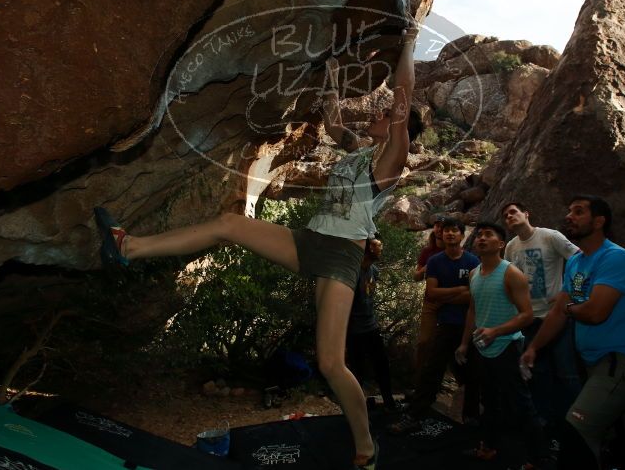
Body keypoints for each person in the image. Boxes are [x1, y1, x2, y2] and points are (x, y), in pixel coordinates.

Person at [93, 25, 419, 470]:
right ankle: (128, 247)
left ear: (402, 127)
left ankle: (365, 446)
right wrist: (334, 75)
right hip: (311, 240)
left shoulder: (392, 158)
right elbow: (333, 120)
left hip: (342, 256)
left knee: (329, 362)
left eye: (387, 116)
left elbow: (402, 95)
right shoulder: (359, 150)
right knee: (230, 224)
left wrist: (409, 42)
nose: (380, 115)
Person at [520, 196, 625, 470]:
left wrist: (569, 306)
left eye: (579, 212)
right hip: (596, 364)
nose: (569, 216)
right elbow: (558, 313)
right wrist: (534, 348)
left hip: (622, 361)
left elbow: (595, 312)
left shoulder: (615, 257)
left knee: (578, 427)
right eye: (569, 210)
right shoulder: (576, 262)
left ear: (599, 221)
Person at [458, 222, 543, 468]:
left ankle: (538, 458)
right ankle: (488, 447)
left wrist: (497, 331)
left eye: (489, 235)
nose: (482, 239)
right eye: (479, 235)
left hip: (507, 346)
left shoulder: (511, 273)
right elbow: (473, 311)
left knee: (521, 403)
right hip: (482, 348)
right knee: (490, 401)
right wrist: (464, 343)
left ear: (501, 244)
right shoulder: (474, 274)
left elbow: (527, 315)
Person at [502, 202, 581, 452]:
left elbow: (579, 259)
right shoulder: (511, 247)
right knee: (539, 376)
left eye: (513, 212)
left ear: (527, 213)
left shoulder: (549, 236)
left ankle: (578, 427)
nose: (510, 217)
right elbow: (509, 279)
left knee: (567, 373)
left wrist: (569, 293)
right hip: (528, 320)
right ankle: (548, 427)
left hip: (555, 318)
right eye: (506, 216)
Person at [388, 218, 480, 433]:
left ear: (461, 235)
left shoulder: (473, 261)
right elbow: (431, 293)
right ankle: (415, 415)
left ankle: (472, 418)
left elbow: (474, 296)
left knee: (473, 374)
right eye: (446, 231)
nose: (449, 234)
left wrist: (448, 295)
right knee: (432, 370)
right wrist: (460, 291)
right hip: (446, 323)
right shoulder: (436, 261)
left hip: (469, 324)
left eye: (454, 231)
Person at [345, 235, 396, 411]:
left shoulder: (374, 271)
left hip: (371, 326)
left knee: (382, 364)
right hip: (353, 330)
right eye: (377, 245)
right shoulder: (352, 272)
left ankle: (389, 402)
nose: (380, 248)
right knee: (358, 370)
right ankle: (357, 408)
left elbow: (369, 298)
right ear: (367, 248)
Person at [412, 217, 445, 373]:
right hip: (430, 301)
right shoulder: (427, 252)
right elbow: (416, 276)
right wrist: (427, 267)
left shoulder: (453, 249)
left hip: (451, 302)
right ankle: (420, 380)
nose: (439, 229)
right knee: (424, 342)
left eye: (443, 226)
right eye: (437, 225)